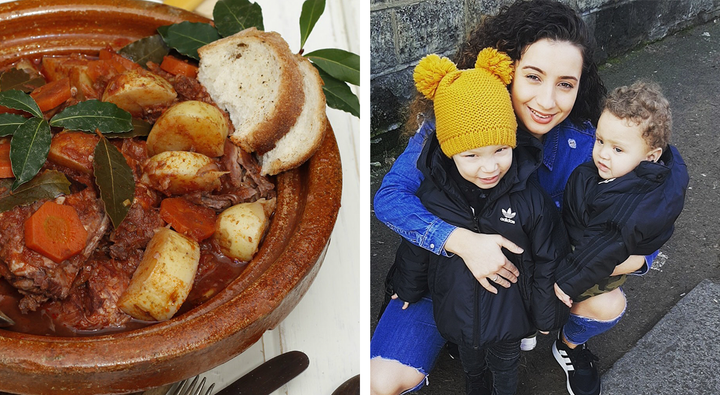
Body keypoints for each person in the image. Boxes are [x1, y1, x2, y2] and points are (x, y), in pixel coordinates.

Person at [371, 1, 654, 395]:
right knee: (378, 382)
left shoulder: (586, 147)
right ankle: (445, 342)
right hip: (446, 276)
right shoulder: (453, 119)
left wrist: (631, 255)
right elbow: (389, 198)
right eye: (534, 77)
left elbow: (641, 216)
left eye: (565, 84)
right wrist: (460, 241)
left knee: (607, 304)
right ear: (505, 69)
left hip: (529, 284)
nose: (547, 101)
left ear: (580, 86)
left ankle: (569, 345)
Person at [399, 47, 570, 395]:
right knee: (471, 365)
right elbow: (416, 246)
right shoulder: (434, 197)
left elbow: (547, 257)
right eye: (472, 155)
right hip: (457, 310)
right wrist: (408, 287)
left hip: (510, 316)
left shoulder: (529, 198)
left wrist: (544, 317)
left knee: (505, 369)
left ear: (512, 143)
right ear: (449, 152)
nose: (489, 167)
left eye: (500, 150)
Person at [551, 81, 689, 394]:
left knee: (600, 304)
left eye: (617, 148)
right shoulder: (627, 173)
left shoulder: (632, 205)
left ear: (651, 156)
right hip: (584, 246)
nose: (602, 154)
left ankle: (568, 344)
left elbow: (607, 244)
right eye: (600, 140)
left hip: (592, 265)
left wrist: (566, 281)